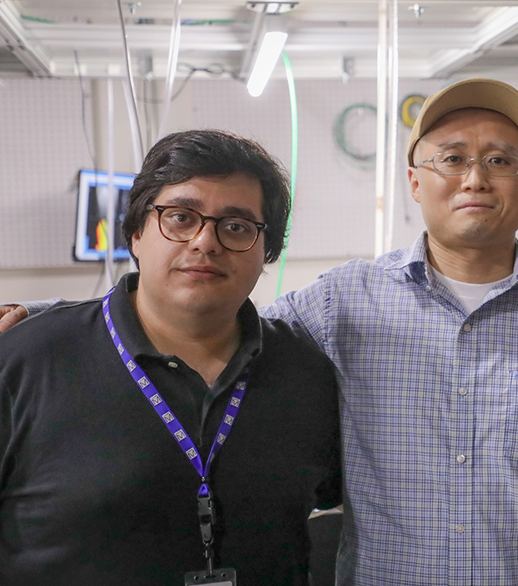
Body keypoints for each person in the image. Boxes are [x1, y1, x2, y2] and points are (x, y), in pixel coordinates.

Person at [1, 78, 518, 585]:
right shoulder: (342, 300)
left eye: (501, 161)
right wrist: (40, 315)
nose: (475, 177)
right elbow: (198, 310)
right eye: (452, 158)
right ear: (414, 179)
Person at [0, 130, 342, 585]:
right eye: (180, 217)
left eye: (236, 226)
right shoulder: (26, 361)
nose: (205, 241)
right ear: (136, 232)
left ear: (267, 253)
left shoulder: (306, 372)